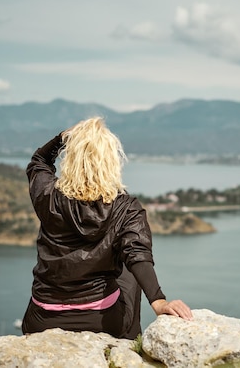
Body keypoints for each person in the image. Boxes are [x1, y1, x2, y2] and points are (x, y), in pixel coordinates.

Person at [21, 116, 192, 339]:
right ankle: (129, 342)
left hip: (42, 318)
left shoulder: (48, 196)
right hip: (100, 319)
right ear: (112, 162)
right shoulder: (126, 208)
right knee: (129, 274)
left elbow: (39, 161)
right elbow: (138, 256)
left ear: (71, 160)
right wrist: (158, 301)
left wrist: (64, 137)